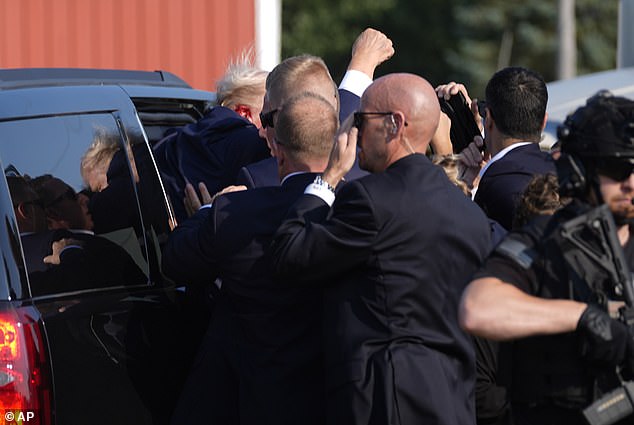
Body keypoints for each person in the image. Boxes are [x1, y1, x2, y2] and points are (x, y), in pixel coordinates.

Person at [270, 73, 492, 425]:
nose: (352, 132)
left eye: (361, 119)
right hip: (451, 398)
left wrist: (327, 179)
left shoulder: (371, 200)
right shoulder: (469, 212)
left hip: (388, 400)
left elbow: (289, 255)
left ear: (394, 125)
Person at [162, 92, 339, 425]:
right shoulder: (355, 212)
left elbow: (175, 261)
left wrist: (206, 210)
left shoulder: (235, 213)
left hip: (252, 397)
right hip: (332, 397)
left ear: (278, 151)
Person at [459, 91, 634, 425]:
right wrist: (584, 317)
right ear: (583, 170)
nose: (630, 182)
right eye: (618, 168)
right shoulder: (544, 239)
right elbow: (478, 307)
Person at [235, 28, 395, 188]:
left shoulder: (258, 180)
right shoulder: (375, 160)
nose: (261, 131)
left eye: (266, 119)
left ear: (291, 116)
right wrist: (361, 65)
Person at [436, 67, 556, 230]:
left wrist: (444, 158)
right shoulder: (557, 174)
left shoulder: (494, 186)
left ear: (489, 118)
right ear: (543, 122)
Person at [153, 56, 271, 221]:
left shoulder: (178, 140)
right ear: (244, 113)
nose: (269, 127)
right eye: (267, 115)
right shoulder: (244, 139)